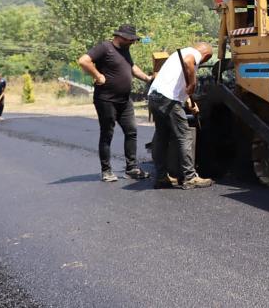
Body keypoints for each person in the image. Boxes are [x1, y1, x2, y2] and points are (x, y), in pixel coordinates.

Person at [78, 24, 152, 182]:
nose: (133, 42)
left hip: (124, 100)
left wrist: (147, 78)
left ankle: (131, 168)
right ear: (121, 37)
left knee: (131, 131)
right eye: (131, 39)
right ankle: (106, 171)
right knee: (107, 134)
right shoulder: (105, 47)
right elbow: (84, 61)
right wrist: (98, 75)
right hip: (106, 100)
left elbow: (132, 67)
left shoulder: (125, 50)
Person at [147, 42, 214, 189]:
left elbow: (177, 82)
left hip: (154, 97)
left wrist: (189, 100)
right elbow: (188, 62)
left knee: (161, 136)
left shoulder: (178, 54)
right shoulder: (193, 54)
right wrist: (192, 84)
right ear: (206, 56)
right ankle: (190, 177)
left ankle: (161, 177)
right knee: (184, 136)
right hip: (168, 100)